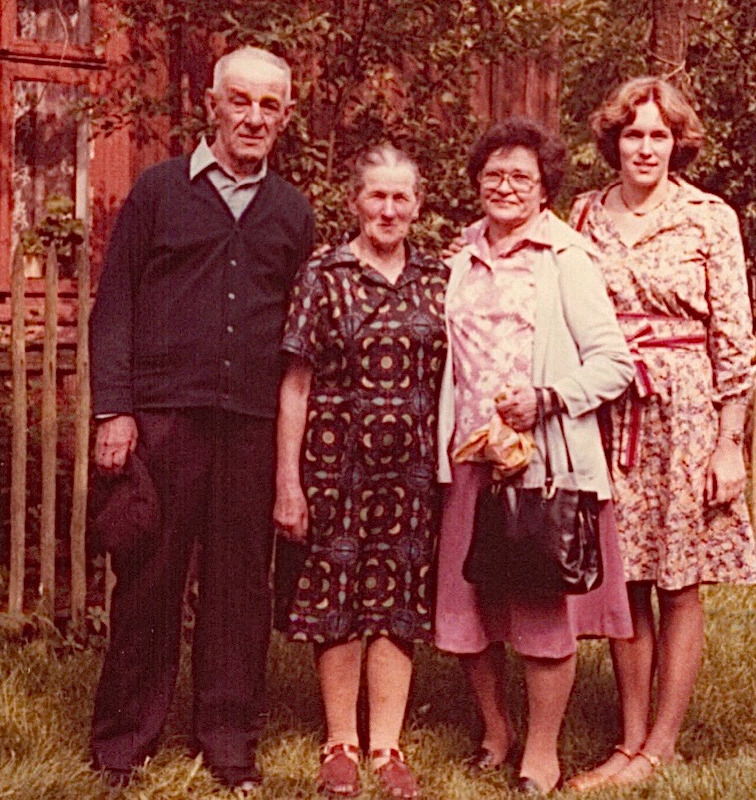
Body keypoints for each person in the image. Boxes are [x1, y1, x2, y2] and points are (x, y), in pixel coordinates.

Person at [88, 46, 315, 794]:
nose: (253, 118)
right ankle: (123, 742)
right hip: (164, 419)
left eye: (268, 106)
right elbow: (114, 303)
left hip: (249, 423)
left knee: (238, 588)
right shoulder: (158, 191)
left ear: (285, 115)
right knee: (148, 580)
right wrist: (115, 408)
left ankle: (228, 743)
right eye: (240, 101)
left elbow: (296, 336)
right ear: (211, 104)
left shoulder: (291, 211)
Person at [565, 76, 756, 792]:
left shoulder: (709, 217)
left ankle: (662, 744)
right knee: (626, 577)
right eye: (632, 134)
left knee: (678, 579)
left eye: (658, 135)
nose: (645, 148)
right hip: (609, 408)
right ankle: (628, 740)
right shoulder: (582, 216)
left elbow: (734, 335)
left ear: (677, 143)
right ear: (611, 141)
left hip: (684, 413)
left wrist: (728, 441)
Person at [433, 117, 636, 796]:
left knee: (542, 613)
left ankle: (540, 754)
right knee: (469, 606)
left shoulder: (566, 259)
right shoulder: (458, 257)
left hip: (542, 464)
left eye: (521, 176)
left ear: (545, 186)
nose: (505, 186)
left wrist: (547, 398)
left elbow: (614, 364)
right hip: (469, 457)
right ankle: (495, 730)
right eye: (492, 174)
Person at [272, 145, 448, 800]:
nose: (388, 208)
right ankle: (339, 742)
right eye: (376, 195)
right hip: (333, 466)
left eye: (401, 197)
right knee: (338, 601)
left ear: (417, 205)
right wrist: (287, 480)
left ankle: (387, 745)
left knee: (396, 601)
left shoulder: (437, 278)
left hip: (411, 474)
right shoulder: (324, 273)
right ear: (354, 201)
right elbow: (295, 382)